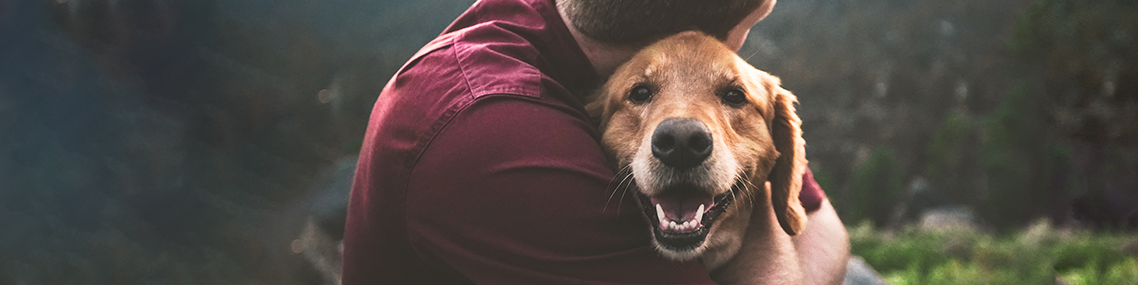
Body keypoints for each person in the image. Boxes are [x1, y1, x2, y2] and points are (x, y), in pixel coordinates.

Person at [342, 0, 850, 283]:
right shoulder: (494, 134)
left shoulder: (578, 17)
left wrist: (760, 185)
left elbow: (825, 228)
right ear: (735, 24)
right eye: (643, 93)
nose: (681, 130)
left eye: (732, 93)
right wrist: (758, 198)